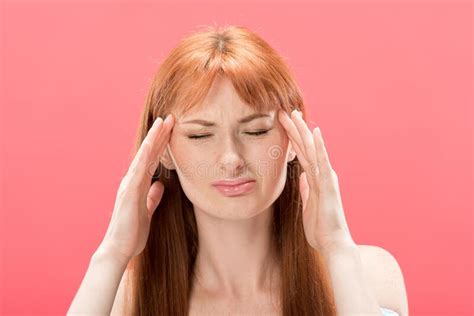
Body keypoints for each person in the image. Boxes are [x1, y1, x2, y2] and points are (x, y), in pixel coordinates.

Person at [67, 25, 408, 315]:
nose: (231, 158)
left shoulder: (368, 275)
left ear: (292, 137)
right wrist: (112, 253)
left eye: (256, 131)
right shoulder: (125, 300)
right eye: (201, 135)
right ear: (164, 151)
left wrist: (336, 246)